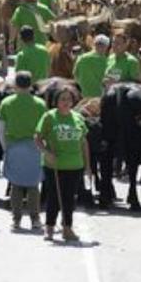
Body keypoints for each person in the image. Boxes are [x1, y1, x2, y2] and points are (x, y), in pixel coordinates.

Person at [36, 88, 90, 242]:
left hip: (75, 165)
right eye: (62, 99)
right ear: (56, 102)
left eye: (68, 99)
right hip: (54, 165)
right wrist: (47, 152)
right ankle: (49, 228)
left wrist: (88, 166)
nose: (66, 102)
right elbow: (37, 139)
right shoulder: (49, 117)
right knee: (53, 197)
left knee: (69, 199)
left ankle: (67, 228)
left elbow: (84, 143)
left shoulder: (78, 118)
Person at [0, 72, 46, 230]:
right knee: (33, 185)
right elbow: (45, 128)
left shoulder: (6, 102)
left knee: (16, 185)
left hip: (14, 146)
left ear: (16, 85)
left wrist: (5, 148)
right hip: (34, 147)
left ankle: (16, 219)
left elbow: (0, 128)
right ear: (30, 85)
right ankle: (35, 219)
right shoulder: (40, 104)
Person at [73, 35, 111, 99]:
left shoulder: (82, 58)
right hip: (100, 96)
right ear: (107, 46)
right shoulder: (108, 61)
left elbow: (75, 74)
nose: (100, 47)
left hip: (83, 95)